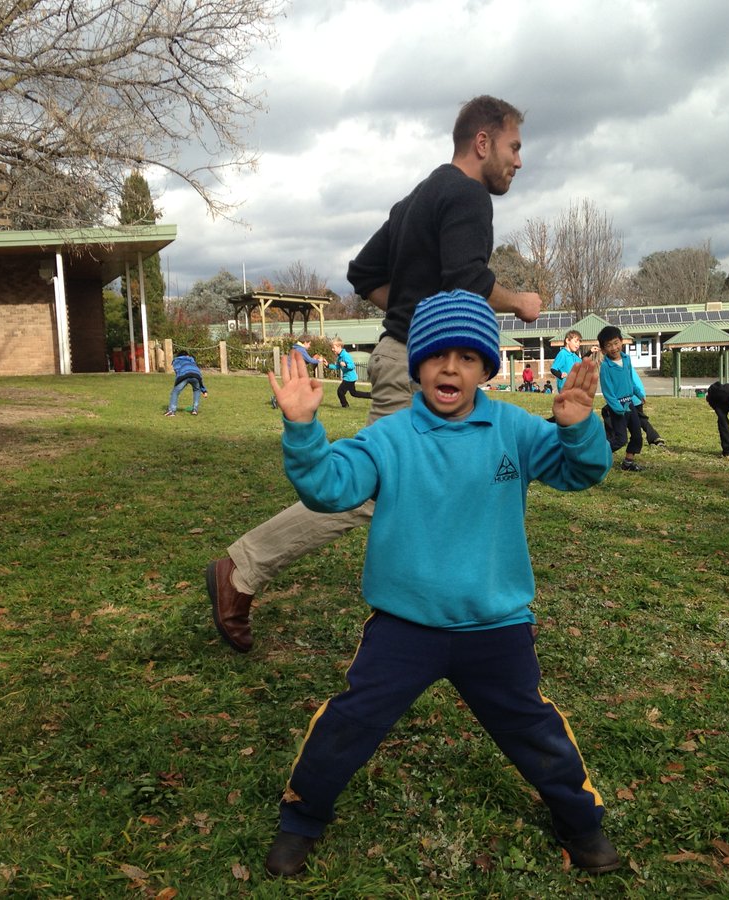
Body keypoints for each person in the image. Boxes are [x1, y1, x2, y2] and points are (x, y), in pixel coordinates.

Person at [260, 290, 619, 878]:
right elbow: (329, 489)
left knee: (533, 728)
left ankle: (580, 823)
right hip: (405, 626)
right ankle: (301, 820)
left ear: (484, 368)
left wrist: (578, 428)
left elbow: (583, 472)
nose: (451, 368)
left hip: (496, 625)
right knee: (349, 724)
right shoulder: (390, 437)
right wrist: (303, 430)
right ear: (418, 363)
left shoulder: (515, 430)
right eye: (437, 356)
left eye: (468, 357)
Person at [207, 95, 542, 652]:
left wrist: (409, 305)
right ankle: (241, 570)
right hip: (419, 364)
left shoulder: (415, 200)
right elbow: (466, 279)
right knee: (374, 489)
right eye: (514, 147)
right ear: (482, 142)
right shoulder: (466, 195)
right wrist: (520, 302)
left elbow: (363, 274)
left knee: (422, 478)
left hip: (402, 351)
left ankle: (469, 605)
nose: (518, 161)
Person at [596, 325, 645, 471]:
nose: (614, 348)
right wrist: (617, 408)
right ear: (603, 349)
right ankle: (595, 456)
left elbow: (630, 380)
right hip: (617, 408)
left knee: (637, 436)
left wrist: (638, 394)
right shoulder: (606, 367)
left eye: (616, 343)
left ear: (622, 341)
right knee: (620, 439)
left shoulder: (627, 359)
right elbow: (607, 391)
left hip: (630, 404)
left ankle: (628, 463)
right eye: (609, 345)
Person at [325, 338, 372, 408]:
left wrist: (346, 365)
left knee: (340, 391)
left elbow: (352, 366)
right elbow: (337, 367)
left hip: (349, 378)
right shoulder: (339, 357)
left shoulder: (345, 355)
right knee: (354, 393)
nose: (332, 349)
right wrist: (328, 365)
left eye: (333, 348)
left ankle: (345, 406)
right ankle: (372, 395)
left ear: (339, 347)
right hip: (349, 377)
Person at [165, 350, 207, 416]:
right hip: (196, 376)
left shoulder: (177, 360)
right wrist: (204, 390)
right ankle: (195, 410)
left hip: (184, 375)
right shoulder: (192, 360)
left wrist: (178, 382)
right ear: (187, 355)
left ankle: (171, 411)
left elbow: (178, 371)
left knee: (175, 392)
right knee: (196, 390)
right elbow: (199, 376)